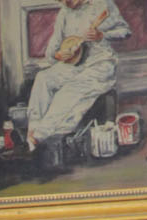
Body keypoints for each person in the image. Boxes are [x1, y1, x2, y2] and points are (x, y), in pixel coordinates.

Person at [25, 0, 131, 153]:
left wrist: (102, 35)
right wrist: (59, 54)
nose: (66, 3)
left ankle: (38, 137)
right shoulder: (65, 13)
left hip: (100, 65)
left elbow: (125, 31)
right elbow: (51, 51)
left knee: (69, 91)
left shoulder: (103, 5)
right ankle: (32, 130)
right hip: (73, 64)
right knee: (43, 78)